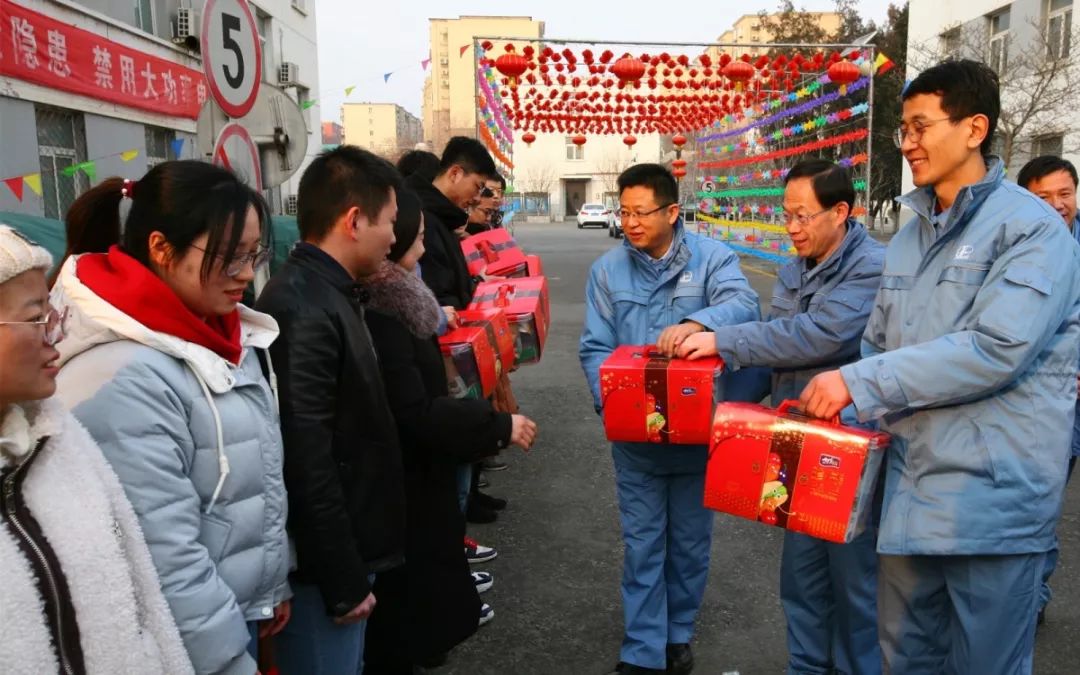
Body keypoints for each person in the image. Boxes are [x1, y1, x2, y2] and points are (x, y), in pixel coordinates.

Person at [799, 59, 1080, 674]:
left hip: (990, 501)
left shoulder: (1032, 231)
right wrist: (839, 409)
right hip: (910, 491)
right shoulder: (907, 233)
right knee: (907, 661)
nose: (909, 142)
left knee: (986, 665)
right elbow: (879, 344)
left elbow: (995, 349)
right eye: (904, 128)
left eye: (922, 126)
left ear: (975, 128)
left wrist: (854, 381)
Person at [50, 162, 292, 674]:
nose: (248, 275)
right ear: (161, 249)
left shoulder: (219, 333)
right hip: (188, 645)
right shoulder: (124, 374)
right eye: (230, 258)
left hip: (230, 614)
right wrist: (228, 660)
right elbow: (164, 559)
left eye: (254, 255)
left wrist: (269, 585)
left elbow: (252, 482)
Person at [678, 159, 885, 675]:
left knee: (855, 584)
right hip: (795, 435)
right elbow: (776, 352)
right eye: (786, 215)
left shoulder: (872, 266)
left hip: (846, 445)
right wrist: (716, 406)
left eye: (802, 216)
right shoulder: (794, 267)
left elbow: (819, 336)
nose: (791, 227)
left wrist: (723, 339)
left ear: (840, 212)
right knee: (801, 577)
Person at [580, 163, 761, 675]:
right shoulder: (608, 272)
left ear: (672, 212)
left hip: (697, 437)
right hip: (635, 442)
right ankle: (642, 648)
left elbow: (744, 304)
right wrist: (611, 407)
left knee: (688, 544)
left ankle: (677, 633)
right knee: (642, 546)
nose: (631, 222)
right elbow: (595, 347)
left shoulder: (712, 259)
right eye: (625, 211)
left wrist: (698, 322)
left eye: (641, 212)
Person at [0, 225, 193, 674]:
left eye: (52, 312)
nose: (55, 333)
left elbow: (143, 598)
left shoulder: (61, 439)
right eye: (34, 319)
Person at [360, 188, 538, 672]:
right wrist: (499, 425)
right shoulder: (382, 311)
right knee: (406, 620)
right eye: (416, 241)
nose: (423, 252)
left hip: (417, 483)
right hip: (406, 490)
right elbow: (417, 409)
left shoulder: (399, 301)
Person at [255, 146, 406, 675]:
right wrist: (344, 580)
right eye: (389, 222)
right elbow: (306, 457)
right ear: (354, 220)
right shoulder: (303, 307)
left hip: (344, 555)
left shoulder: (331, 292)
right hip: (324, 575)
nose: (394, 236)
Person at [405, 136, 506, 539]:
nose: (479, 197)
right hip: (443, 343)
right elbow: (430, 286)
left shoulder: (441, 217)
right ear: (455, 173)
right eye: (477, 187)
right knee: (451, 447)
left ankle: (459, 529)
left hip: (454, 333)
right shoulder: (421, 214)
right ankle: (453, 542)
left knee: (463, 447)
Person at [1016, 154, 1080, 626]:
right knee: (1039, 498)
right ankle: (1029, 600)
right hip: (1035, 399)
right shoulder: (1019, 244)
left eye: (1066, 194)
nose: (1059, 206)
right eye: (1044, 197)